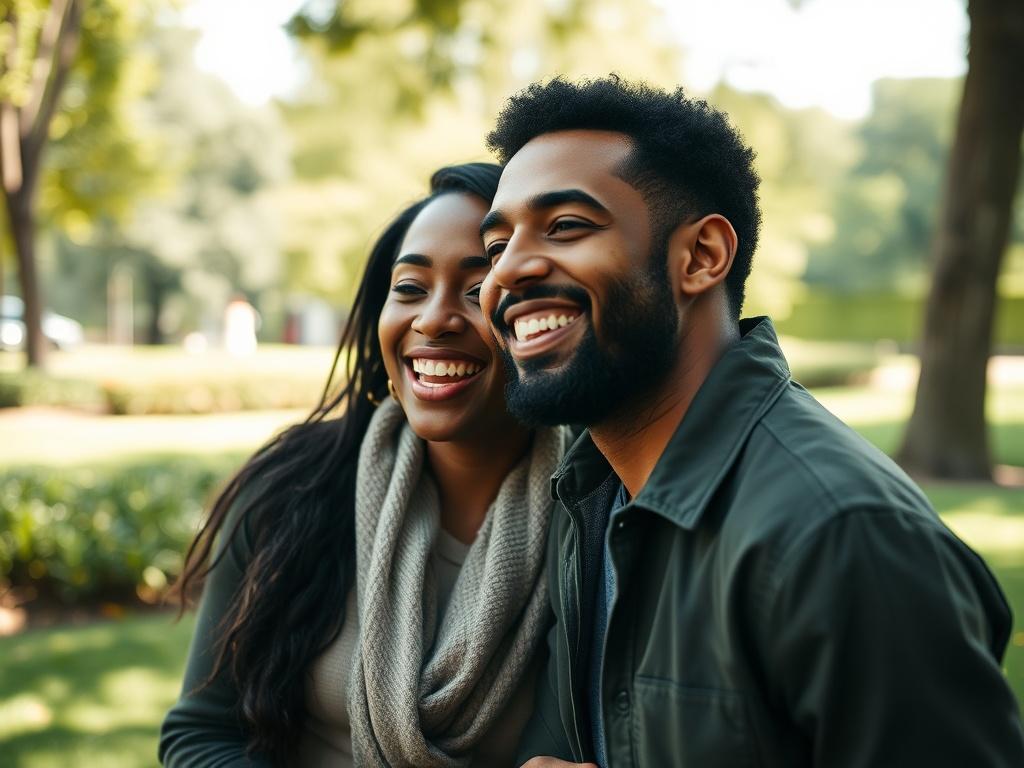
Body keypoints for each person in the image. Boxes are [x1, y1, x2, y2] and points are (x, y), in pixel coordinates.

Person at [477, 77, 1024, 768]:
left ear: (701, 257)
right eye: (495, 247)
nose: (507, 273)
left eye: (566, 227)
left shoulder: (840, 533)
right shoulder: (586, 496)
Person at [160, 163, 569, 767]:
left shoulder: (595, 519)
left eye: (478, 289)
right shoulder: (294, 490)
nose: (433, 319)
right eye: (409, 287)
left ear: (535, 320)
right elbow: (200, 734)